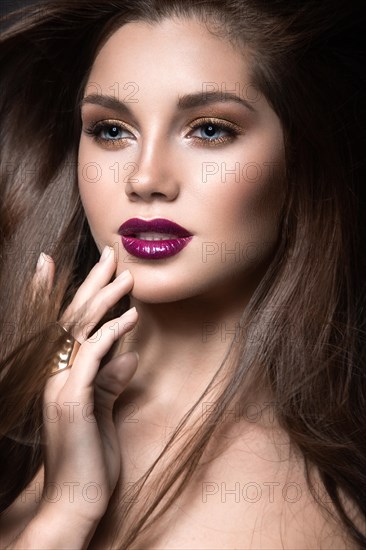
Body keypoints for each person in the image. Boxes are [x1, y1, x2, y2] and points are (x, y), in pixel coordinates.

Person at [0, 0, 365, 548]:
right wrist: (62, 517)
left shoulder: (330, 497)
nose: (145, 178)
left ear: (301, 161)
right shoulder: (17, 423)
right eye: (112, 130)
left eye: (210, 130)